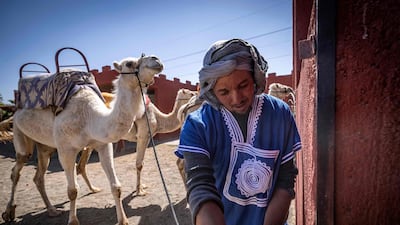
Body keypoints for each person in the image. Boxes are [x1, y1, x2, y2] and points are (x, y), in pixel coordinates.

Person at [175, 38, 301, 225]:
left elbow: (285, 179)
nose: (236, 99)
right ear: (211, 90)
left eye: (243, 85)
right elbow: (200, 186)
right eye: (224, 92)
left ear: (256, 78)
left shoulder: (280, 114)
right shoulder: (198, 124)